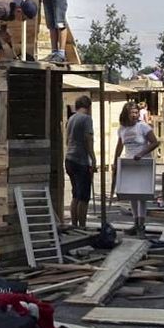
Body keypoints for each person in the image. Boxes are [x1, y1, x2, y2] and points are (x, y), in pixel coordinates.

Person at [111, 101, 159, 237]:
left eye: (136, 112)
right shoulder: (122, 129)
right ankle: (135, 223)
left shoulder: (143, 126)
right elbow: (119, 146)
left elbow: (155, 142)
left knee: (141, 196)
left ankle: (141, 225)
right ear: (126, 113)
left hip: (142, 163)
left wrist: (141, 153)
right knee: (131, 195)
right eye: (132, 112)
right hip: (129, 164)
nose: (134, 115)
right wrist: (115, 162)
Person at [65, 95, 96, 229]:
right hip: (81, 160)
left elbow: (67, 140)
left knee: (75, 194)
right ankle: (82, 227)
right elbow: (87, 139)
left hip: (69, 158)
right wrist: (93, 159)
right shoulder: (86, 119)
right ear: (88, 107)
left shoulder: (71, 118)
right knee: (84, 197)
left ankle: (74, 225)